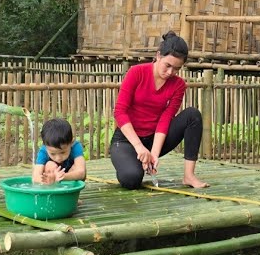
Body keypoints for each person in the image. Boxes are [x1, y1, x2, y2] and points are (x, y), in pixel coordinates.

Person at [111, 31, 209, 189]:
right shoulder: (136, 73)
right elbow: (119, 112)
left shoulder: (178, 85)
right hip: (127, 141)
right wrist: (139, 147)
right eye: (168, 65)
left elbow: (166, 118)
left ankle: (189, 176)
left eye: (176, 69)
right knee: (131, 179)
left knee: (192, 115)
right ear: (158, 56)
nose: (170, 72)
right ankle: (133, 161)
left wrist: (154, 154)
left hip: (154, 138)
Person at [32, 117, 87, 184]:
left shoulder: (75, 147)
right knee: (50, 165)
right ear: (45, 146)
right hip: (51, 180)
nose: (58, 158)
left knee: (78, 165)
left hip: (69, 180)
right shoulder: (44, 151)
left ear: (71, 142)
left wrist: (62, 177)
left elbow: (81, 173)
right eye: (53, 154)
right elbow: (35, 177)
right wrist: (46, 180)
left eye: (63, 152)